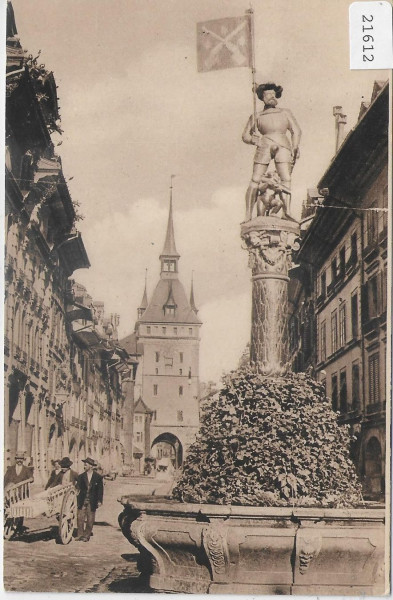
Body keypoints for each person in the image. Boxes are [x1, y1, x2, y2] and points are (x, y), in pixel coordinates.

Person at [242, 82, 301, 221]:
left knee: (286, 178)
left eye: (274, 94)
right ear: (262, 97)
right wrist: (253, 140)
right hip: (264, 143)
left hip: (283, 143)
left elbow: (296, 131)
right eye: (268, 94)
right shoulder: (256, 116)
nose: (272, 96)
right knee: (255, 179)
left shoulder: (285, 112)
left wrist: (295, 146)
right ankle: (248, 214)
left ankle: (287, 211)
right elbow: (245, 135)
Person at [4, 452, 34, 534]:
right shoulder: (10, 469)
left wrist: (29, 480)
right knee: (8, 507)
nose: (19, 460)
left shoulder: (26, 469)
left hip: (22, 493)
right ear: (16, 459)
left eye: (21, 459)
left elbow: (31, 478)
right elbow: (5, 479)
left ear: (23, 460)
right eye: (18, 459)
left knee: (21, 509)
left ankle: (19, 527)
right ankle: (8, 525)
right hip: (10, 492)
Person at [76, 457, 104, 542]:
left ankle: (86, 536)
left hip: (92, 501)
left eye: (86, 464)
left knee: (90, 518)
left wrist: (99, 501)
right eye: (84, 464)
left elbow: (100, 490)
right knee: (80, 517)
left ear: (91, 466)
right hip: (82, 500)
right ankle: (80, 535)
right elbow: (77, 488)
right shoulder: (81, 476)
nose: (84, 466)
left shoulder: (98, 477)